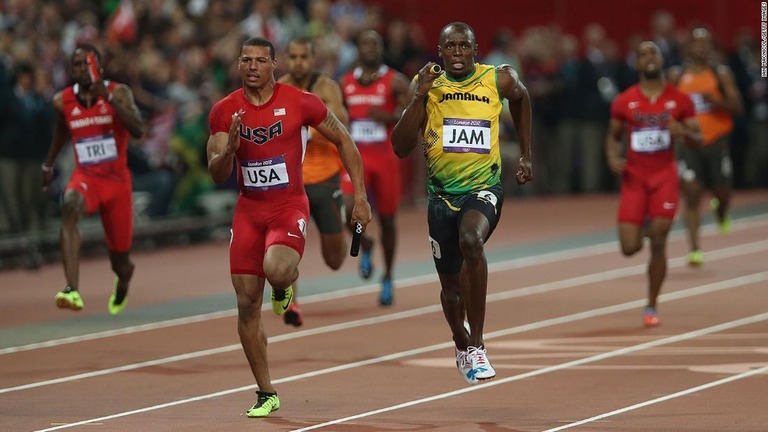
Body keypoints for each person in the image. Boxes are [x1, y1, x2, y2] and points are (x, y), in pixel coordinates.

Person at [206, 37, 370, 418]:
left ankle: (283, 288)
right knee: (247, 303)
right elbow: (216, 174)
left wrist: (359, 197)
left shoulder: (300, 101)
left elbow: (345, 140)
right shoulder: (224, 111)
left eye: (260, 61)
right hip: (248, 211)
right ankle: (266, 392)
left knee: (277, 269)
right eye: (245, 60)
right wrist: (228, 151)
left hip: (288, 205)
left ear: (274, 65)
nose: (251, 67)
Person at [391, 22, 533, 385]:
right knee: (451, 293)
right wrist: (418, 97)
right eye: (450, 47)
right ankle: (461, 341)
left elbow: (521, 98)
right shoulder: (427, 84)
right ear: (439, 51)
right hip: (440, 198)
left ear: (474, 50)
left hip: (483, 188)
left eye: (464, 46)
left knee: (472, 240)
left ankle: (479, 346)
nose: (457, 52)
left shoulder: (497, 79)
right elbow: (400, 147)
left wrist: (526, 155)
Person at [42, 45, 147, 315]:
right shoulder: (61, 101)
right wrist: (48, 164)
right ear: (71, 70)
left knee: (120, 262)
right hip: (87, 178)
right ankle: (71, 289)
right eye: (76, 65)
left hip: (117, 184)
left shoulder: (119, 92)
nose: (81, 69)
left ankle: (124, 277)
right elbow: (61, 133)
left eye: (86, 63)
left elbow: (139, 130)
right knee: (70, 204)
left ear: (98, 67)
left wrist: (109, 99)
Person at [605, 41, 701, 327]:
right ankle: (646, 223)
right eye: (642, 54)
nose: (648, 58)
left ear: (661, 60)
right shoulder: (624, 101)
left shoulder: (681, 100)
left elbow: (698, 139)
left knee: (659, 240)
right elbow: (613, 136)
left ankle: (651, 304)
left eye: (653, 53)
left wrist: (682, 130)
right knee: (629, 247)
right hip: (635, 178)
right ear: (636, 64)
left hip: (664, 177)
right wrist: (612, 157)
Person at [277, 37, 350, 327]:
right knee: (288, 245)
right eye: (292, 57)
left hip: (324, 179)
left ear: (312, 58)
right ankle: (291, 302)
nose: (298, 63)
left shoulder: (326, 88)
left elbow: (339, 123)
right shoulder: (279, 87)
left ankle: (350, 235)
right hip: (289, 181)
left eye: (303, 57)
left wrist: (302, 128)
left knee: (335, 260)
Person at [340, 29, 410, 306]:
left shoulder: (395, 82)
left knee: (389, 221)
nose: (370, 47)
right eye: (365, 43)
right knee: (348, 210)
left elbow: (413, 114)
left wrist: (390, 116)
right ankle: (365, 243)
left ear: (381, 49)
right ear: (358, 49)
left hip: (384, 158)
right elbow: (333, 114)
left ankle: (389, 276)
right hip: (357, 158)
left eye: (375, 43)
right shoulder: (344, 82)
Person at [668, 28, 744, 266]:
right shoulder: (677, 75)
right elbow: (666, 107)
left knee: (723, 193)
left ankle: (720, 210)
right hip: (689, 144)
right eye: (696, 43)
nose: (701, 48)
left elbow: (738, 108)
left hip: (716, 141)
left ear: (711, 47)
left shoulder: (720, 74)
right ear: (688, 47)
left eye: (705, 43)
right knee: (691, 194)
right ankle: (695, 248)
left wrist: (717, 102)